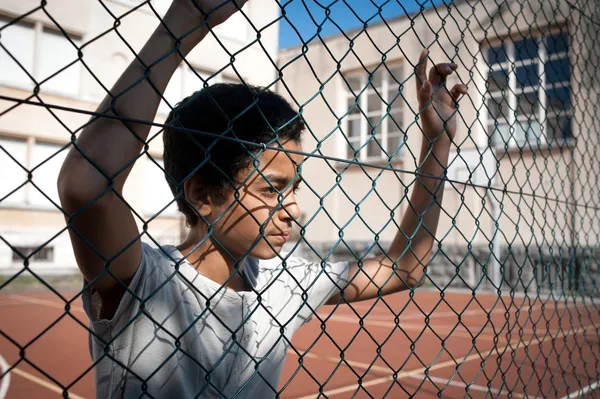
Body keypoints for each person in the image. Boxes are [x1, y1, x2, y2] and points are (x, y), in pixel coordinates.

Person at [57, 0, 467, 397]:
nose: (294, 209)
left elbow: (404, 269)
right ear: (202, 194)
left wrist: (436, 145)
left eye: (294, 188)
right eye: (271, 188)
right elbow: (86, 186)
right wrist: (185, 19)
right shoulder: (145, 281)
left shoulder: (283, 282)